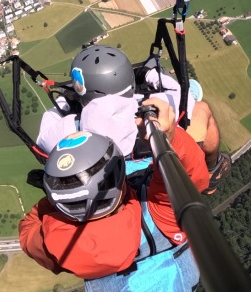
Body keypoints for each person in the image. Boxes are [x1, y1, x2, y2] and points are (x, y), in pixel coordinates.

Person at [20, 98, 207, 291]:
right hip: (177, 273)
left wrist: (59, 200)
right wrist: (169, 137)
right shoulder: (158, 217)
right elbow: (192, 177)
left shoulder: (56, 243)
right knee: (202, 110)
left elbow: (28, 231)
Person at [35, 44, 231, 192]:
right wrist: (150, 73)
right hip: (158, 171)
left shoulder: (69, 129)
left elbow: (43, 138)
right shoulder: (152, 104)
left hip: (111, 182)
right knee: (200, 108)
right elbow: (181, 94)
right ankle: (211, 168)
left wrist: (64, 100)